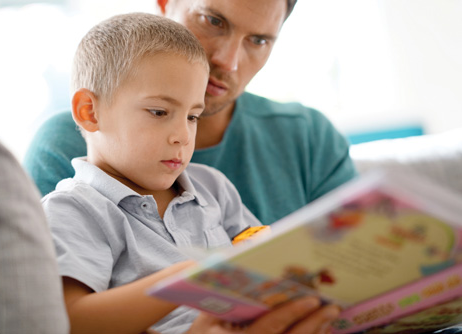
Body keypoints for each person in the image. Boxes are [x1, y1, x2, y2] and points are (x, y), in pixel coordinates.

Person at [42, 12, 340, 334]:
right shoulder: (72, 209)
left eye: (193, 116)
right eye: (159, 112)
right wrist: (193, 275)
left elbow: (264, 261)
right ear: (90, 111)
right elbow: (71, 320)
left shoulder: (214, 187)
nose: (183, 135)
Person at [23, 0, 357, 226]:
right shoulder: (69, 146)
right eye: (213, 21)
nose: (229, 61)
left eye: (257, 41)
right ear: (166, 4)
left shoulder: (308, 137)